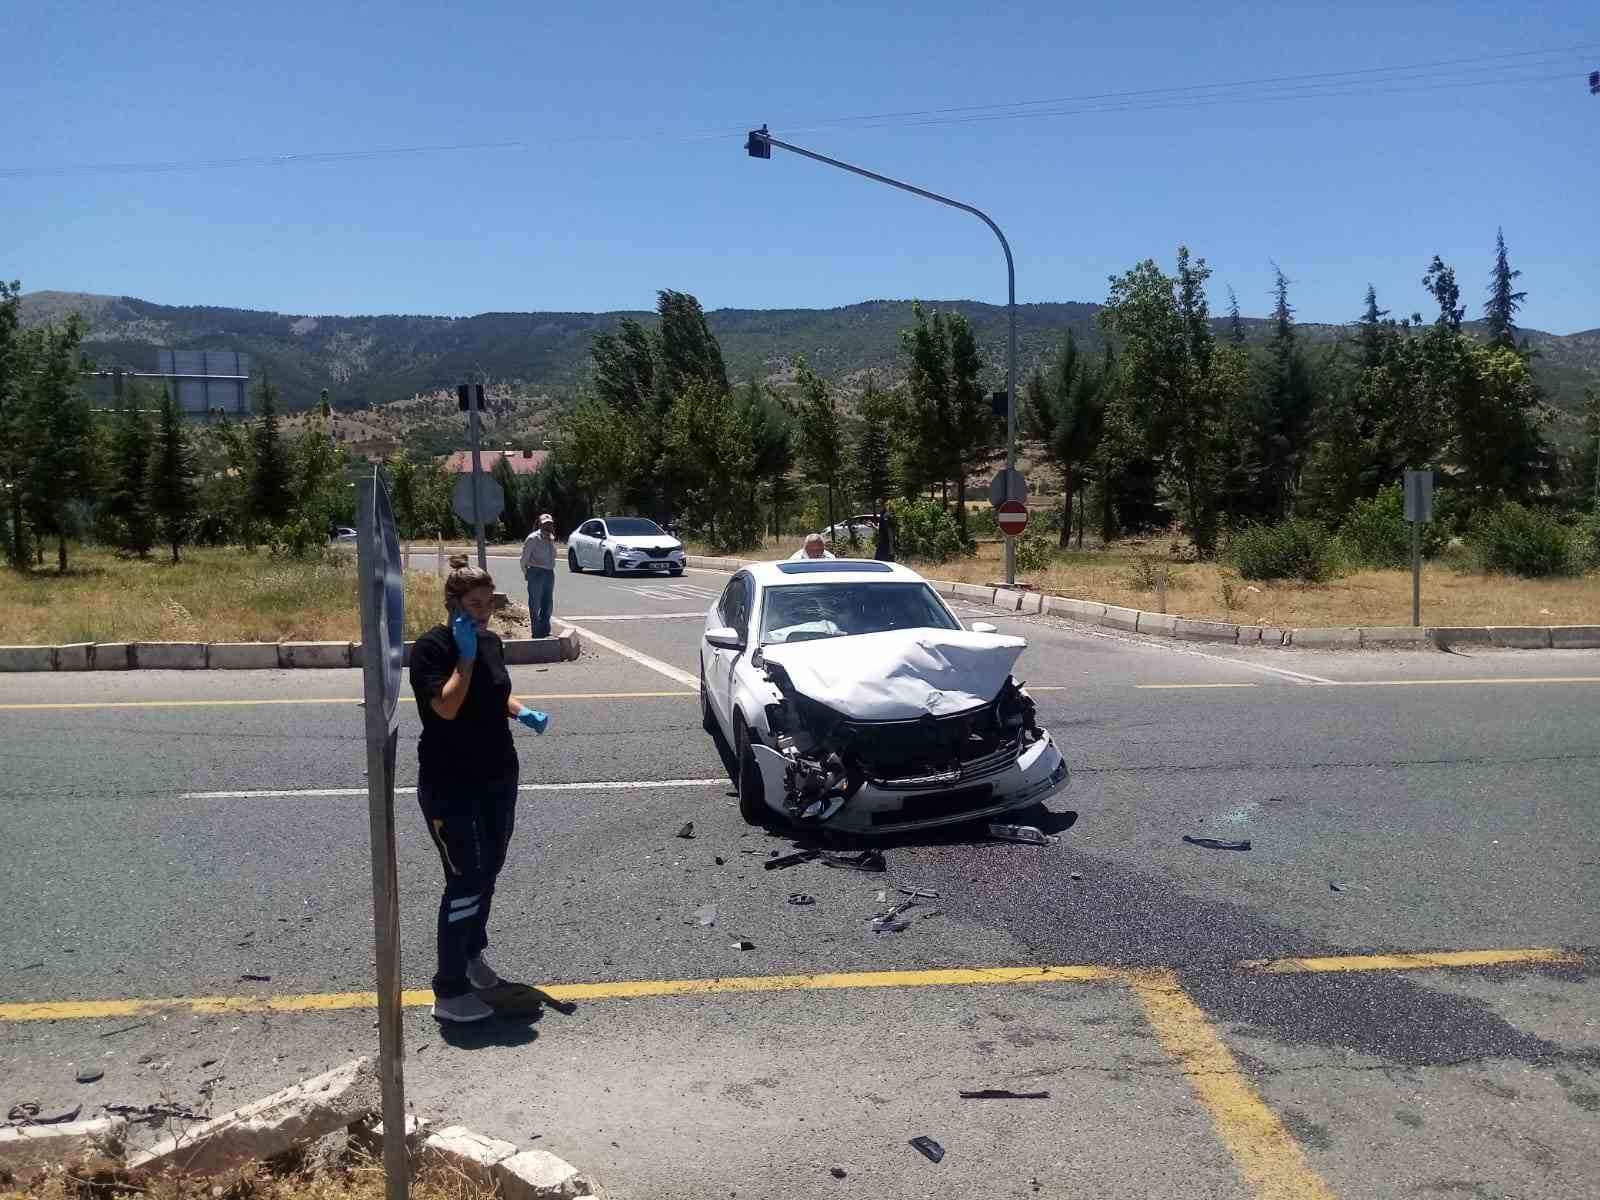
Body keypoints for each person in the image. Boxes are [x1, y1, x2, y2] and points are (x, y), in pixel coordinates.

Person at [409, 556, 550, 1023]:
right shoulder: (431, 648)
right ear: (452, 603)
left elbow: (491, 693)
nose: (483, 614)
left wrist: (520, 710)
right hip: (450, 781)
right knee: (465, 880)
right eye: (474, 604)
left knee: (488, 871)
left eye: (489, 604)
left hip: (497, 773)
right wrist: (464, 658)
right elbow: (447, 707)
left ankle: (472, 956)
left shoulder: (489, 642)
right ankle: (448, 991)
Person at [520, 513, 558, 638]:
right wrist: (527, 573)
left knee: (547, 603)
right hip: (536, 572)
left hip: (549, 572)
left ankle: (545, 630)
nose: (548, 526)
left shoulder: (551, 538)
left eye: (550, 523)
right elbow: (524, 559)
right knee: (535, 603)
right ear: (540, 524)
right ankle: (536, 632)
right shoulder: (533, 538)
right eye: (545, 524)